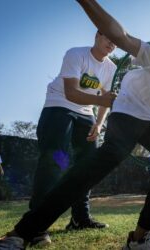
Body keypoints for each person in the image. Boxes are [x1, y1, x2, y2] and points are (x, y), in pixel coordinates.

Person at [0, 1, 150, 249]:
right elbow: (120, 35)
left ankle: (141, 237)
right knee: (96, 165)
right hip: (127, 111)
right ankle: (22, 232)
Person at [27, 30, 117, 246]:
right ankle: (36, 225)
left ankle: (80, 218)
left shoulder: (111, 67)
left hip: (87, 114)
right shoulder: (76, 54)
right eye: (108, 38)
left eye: (116, 42)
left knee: (88, 166)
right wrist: (102, 102)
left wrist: (98, 123)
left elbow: (106, 99)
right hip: (59, 106)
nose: (112, 43)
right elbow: (71, 93)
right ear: (97, 35)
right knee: (54, 161)